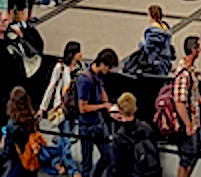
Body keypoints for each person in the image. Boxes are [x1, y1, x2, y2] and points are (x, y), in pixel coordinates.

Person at [38, 41, 83, 177]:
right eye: (79, 52)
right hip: (62, 108)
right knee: (66, 137)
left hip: (74, 108)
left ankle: (57, 162)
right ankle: (71, 169)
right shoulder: (60, 67)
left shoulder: (81, 68)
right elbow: (51, 87)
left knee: (64, 139)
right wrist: (42, 107)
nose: (82, 54)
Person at [173, 36, 201, 177]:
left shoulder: (191, 69)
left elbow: (194, 93)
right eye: (198, 47)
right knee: (186, 158)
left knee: (199, 149)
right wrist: (188, 124)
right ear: (193, 50)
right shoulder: (183, 74)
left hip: (195, 120)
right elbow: (179, 102)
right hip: (188, 124)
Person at [77, 48, 119, 177]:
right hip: (87, 126)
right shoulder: (84, 80)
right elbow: (82, 108)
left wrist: (110, 109)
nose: (109, 71)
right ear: (101, 63)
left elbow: (102, 91)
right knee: (86, 164)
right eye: (108, 67)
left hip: (98, 123)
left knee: (108, 155)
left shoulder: (98, 76)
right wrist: (103, 106)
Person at [103, 93, 155, 177]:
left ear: (119, 110)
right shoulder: (147, 128)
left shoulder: (119, 138)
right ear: (135, 108)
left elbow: (116, 168)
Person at [3, 86, 41, 177]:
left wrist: (2, 145)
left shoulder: (12, 125)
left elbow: (7, 152)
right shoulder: (31, 121)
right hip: (31, 164)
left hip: (18, 166)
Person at [134, 5, 175, 75]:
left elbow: (147, 49)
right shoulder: (166, 29)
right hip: (165, 62)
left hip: (154, 64)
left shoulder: (151, 32)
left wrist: (141, 44)